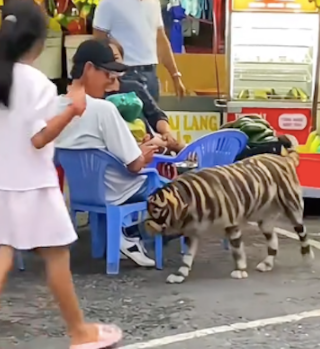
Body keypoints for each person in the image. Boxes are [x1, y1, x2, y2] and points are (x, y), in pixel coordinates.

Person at [0, 1, 122, 348]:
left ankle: (81, 331)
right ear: (38, 43)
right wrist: (73, 110)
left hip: (3, 182)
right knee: (56, 258)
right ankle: (80, 332)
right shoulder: (35, 82)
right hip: (34, 184)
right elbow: (38, 138)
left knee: (4, 254)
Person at [55, 39, 159, 267]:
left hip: (81, 193)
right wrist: (145, 152)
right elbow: (134, 165)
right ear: (90, 69)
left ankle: (122, 236)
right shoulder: (103, 109)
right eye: (107, 75)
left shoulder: (54, 106)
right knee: (167, 186)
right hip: (118, 190)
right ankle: (131, 235)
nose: (111, 82)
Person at [92, 0, 186, 101]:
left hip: (150, 74)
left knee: (154, 116)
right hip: (123, 74)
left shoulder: (153, 2)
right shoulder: (109, 3)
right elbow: (99, 42)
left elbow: (160, 39)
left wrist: (175, 75)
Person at [106, 39, 185, 153]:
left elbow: (156, 114)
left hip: (152, 144)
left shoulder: (134, 87)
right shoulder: (95, 96)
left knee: (184, 148)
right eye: (108, 60)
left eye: (116, 58)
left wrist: (166, 133)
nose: (113, 64)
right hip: (125, 152)